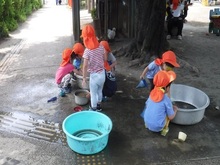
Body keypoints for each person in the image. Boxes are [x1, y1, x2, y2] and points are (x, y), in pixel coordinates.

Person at [142, 70, 178, 135]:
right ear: (167, 88)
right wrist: (175, 110)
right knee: (168, 113)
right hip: (158, 127)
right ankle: (164, 130)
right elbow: (171, 117)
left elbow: (147, 106)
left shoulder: (151, 94)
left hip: (146, 122)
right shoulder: (166, 99)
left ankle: (148, 124)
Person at [81, 24, 107, 111]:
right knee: (100, 91)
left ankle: (93, 108)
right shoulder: (101, 46)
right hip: (102, 74)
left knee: (93, 93)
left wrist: (84, 78)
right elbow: (105, 58)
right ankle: (99, 106)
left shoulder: (87, 51)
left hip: (94, 75)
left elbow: (85, 66)